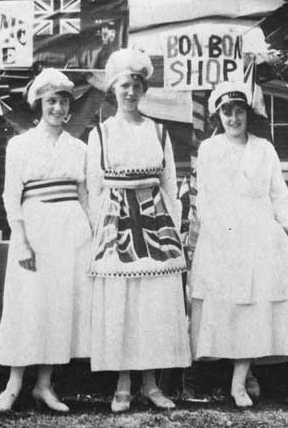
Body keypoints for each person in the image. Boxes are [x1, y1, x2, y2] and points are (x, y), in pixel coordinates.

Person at [190, 81, 288, 408]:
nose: (233, 118)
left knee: (256, 309)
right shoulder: (209, 149)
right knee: (230, 310)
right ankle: (245, 371)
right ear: (218, 116)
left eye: (239, 111)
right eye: (226, 112)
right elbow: (204, 197)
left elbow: (278, 196)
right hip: (222, 236)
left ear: (248, 114)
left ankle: (239, 381)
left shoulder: (264, 149)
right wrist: (217, 232)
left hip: (259, 235)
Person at [87, 48, 191, 413]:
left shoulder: (158, 131)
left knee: (154, 306)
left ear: (143, 89)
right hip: (116, 228)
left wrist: (173, 232)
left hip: (155, 226)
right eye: (123, 86)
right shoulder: (100, 134)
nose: (130, 92)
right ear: (113, 90)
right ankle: (122, 384)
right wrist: (101, 233)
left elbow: (171, 185)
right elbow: (94, 190)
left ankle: (150, 384)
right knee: (122, 306)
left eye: (136, 85)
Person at [0, 69, 92, 413]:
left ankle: (44, 386)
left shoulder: (79, 148)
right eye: (51, 100)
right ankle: (13, 384)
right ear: (39, 104)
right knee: (26, 305)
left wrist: (89, 236)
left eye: (63, 101)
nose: (58, 107)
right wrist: (20, 240)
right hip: (33, 228)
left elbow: (84, 196)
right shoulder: (19, 145)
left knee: (57, 307)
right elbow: (10, 197)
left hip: (70, 231)